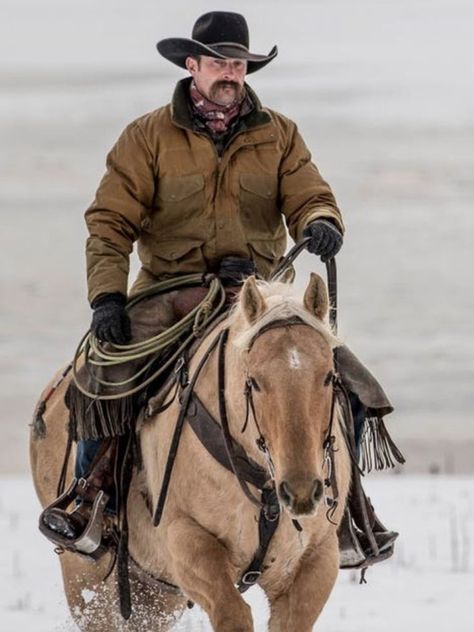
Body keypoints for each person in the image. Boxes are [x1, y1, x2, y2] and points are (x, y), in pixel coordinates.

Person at [40, 11, 397, 566]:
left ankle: (348, 511)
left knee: (342, 376)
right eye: (218, 62)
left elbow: (309, 192)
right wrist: (107, 297)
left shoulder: (279, 134)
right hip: (169, 289)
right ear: (192, 65)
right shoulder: (147, 136)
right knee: (103, 371)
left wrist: (320, 220)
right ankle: (93, 497)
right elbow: (109, 223)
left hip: (257, 295)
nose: (229, 73)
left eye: (238, 63)